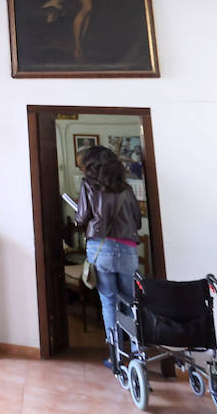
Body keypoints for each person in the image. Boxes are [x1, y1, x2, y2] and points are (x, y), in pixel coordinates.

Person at [73, 144, 141, 362]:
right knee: (130, 302)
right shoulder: (126, 189)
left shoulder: (89, 185)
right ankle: (137, 355)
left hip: (101, 249)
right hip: (128, 249)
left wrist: (78, 215)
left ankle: (116, 357)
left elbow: (82, 218)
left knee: (108, 302)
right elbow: (137, 222)